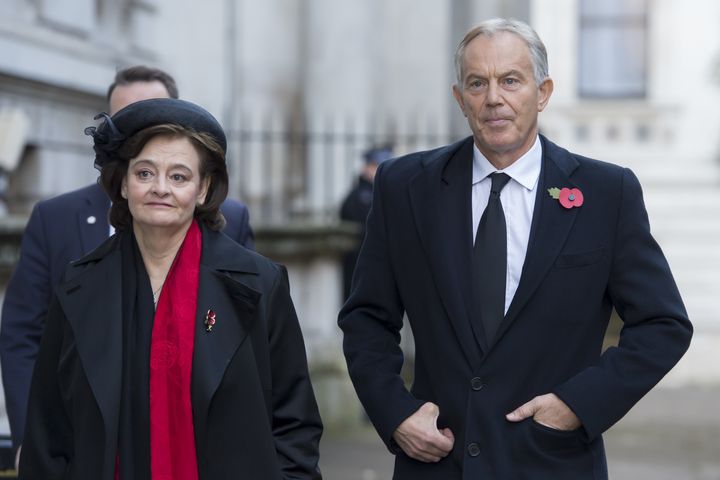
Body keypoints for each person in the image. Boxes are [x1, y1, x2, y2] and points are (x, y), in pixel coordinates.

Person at [338, 18, 692, 479]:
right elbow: (367, 317)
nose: (493, 99)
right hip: (438, 462)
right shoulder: (406, 188)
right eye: (477, 83)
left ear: (542, 92)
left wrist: (578, 405)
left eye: (510, 80)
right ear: (459, 98)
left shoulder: (606, 193)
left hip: (552, 462)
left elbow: (663, 325)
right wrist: (395, 412)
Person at [19, 98, 322, 479]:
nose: (160, 188)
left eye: (178, 176)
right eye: (144, 173)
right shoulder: (78, 285)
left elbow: (295, 423)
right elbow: (48, 430)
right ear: (124, 184)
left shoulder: (259, 283)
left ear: (203, 189)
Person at [0, 66, 254, 460]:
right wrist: (30, 442)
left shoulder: (234, 225)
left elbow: (258, 359)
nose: (144, 131)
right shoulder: (56, 218)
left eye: (154, 115)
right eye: (129, 121)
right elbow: (24, 335)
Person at [339, 146, 393, 300]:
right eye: (378, 166)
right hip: (364, 270)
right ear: (367, 167)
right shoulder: (361, 198)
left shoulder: (379, 194)